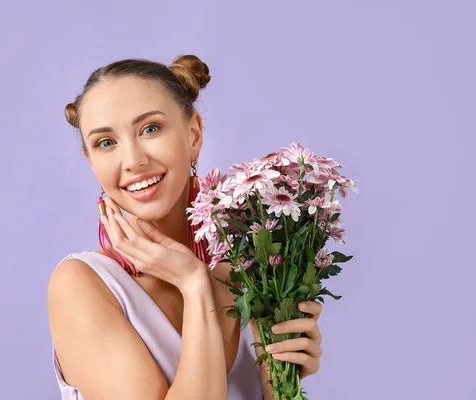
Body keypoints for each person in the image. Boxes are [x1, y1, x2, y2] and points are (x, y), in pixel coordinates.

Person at [47, 55, 324, 400]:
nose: (133, 160)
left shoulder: (250, 272)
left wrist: (281, 377)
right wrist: (193, 285)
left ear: (193, 135)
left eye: (150, 129)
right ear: (91, 161)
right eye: (106, 142)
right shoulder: (82, 285)